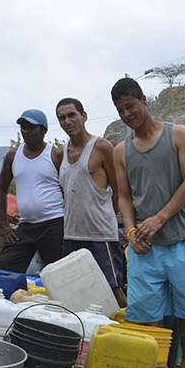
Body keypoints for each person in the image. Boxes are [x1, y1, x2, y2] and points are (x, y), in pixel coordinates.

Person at [111, 77, 185, 368]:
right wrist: (130, 230)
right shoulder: (121, 151)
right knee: (147, 309)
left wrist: (160, 218)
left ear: (144, 100)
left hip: (182, 238)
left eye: (131, 106)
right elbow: (124, 196)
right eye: (121, 110)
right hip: (144, 245)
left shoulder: (178, 135)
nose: (128, 115)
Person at [56, 97, 126, 307]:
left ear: (83, 116)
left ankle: (133, 334)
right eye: (62, 118)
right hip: (71, 234)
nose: (67, 121)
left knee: (113, 289)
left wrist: (114, 218)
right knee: (76, 291)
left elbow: (118, 189)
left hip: (100, 234)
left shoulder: (102, 147)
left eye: (72, 115)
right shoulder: (61, 153)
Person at [0, 109, 65, 273]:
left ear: (43, 130)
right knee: (3, 269)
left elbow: (67, 190)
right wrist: (3, 226)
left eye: (31, 127)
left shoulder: (55, 155)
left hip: (54, 224)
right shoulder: (13, 156)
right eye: (23, 127)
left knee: (58, 274)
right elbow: (1, 190)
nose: (26, 131)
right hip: (26, 226)